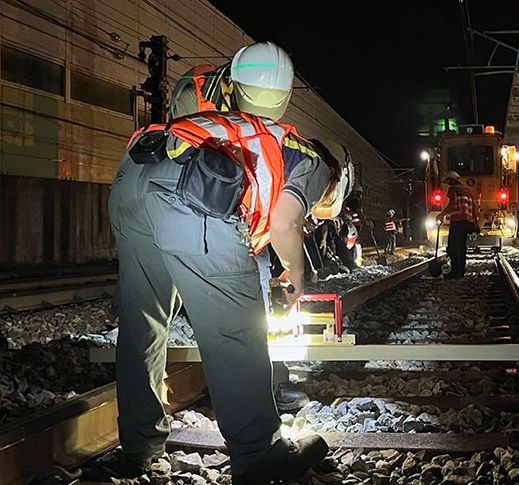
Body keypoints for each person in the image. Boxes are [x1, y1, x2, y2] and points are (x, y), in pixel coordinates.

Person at [106, 42, 354, 483]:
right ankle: (258, 450)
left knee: (143, 324)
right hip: (186, 196)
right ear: (337, 178)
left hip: (133, 179)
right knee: (235, 331)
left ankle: (138, 446)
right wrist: (296, 275)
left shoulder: (231, 124)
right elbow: (285, 221)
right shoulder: (311, 159)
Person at [168, 44, 310, 413]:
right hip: (204, 209)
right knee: (246, 301)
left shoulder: (208, 93)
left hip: (193, 207)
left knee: (157, 313)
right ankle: (251, 398)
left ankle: (242, 388)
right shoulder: (200, 101)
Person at [436, 171, 478, 279]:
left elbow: (452, 203)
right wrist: (475, 222)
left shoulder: (453, 188)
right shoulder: (468, 190)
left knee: (453, 247)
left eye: (448, 181)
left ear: (452, 179)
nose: (448, 183)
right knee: (461, 247)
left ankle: (455, 272)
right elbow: (473, 207)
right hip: (467, 221)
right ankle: (461, 271)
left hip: (458, 221)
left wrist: (441, 214)